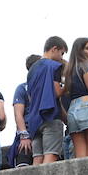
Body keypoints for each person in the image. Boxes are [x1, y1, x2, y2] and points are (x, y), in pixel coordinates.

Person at [26, 36, 69, 165]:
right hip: (50, 116)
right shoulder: (54, 66)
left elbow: (30, 96)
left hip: (34, 119)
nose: (61, 58)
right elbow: (57, 92)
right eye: (61, 53)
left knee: (37, 158)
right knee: (51, 156)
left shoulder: (32, 70)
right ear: (54, 49)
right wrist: (68, 85)